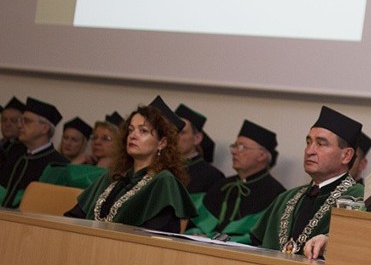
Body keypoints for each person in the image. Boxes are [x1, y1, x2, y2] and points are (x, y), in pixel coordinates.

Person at [64, 96, 197, 232]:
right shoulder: (112, 177)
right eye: (131, 130)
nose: (133, 135)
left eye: (143, 131)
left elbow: (158, 238)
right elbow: (72, 218)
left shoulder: (164, 182)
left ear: (162, 143)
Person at [250, 106, 364, 257]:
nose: (309, 151)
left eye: (321, 144)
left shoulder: (361, 199)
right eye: (308, 142)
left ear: (346, 156)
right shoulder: (285, 199)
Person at [186, 120, 285, 244]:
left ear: (262, 155)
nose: (234, 151)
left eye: (242, 147)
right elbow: (194, 222)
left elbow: (261, 237)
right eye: (235, 146)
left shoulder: (276, 194)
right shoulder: (222, 185)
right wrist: (196, 233)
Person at [0, 97, 67, 208]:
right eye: (20, 120)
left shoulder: (58, 164)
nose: (19, 125)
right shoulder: (14, 154)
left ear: (44, 128)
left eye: (26, 121)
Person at [175, 103, 224, 199]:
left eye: (181, 132)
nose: (174, 136)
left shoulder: (212, 176)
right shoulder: (158, 166)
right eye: (171, 131)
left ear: (197, 138)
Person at [0, 97, 25, 166]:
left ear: (22, 124)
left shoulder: (25, 151)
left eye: (13, 120)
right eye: (4, 120)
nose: (7, 124)